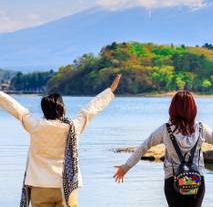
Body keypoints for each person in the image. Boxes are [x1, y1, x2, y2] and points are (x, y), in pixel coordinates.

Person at [113, 90, 213, 207]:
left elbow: (144, 147)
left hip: (173, 180)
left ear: (172, 108)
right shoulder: (201, 129)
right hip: (196, 180)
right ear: (193, 109)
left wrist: (126, 167)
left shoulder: (165, 130)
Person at [0, 74, 122, 207]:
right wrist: (109, 91)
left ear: (44, 110)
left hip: (40, 186)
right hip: (68, 187)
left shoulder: (35, 126)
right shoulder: (72, 127)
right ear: (62, 109)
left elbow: (18, 110)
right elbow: (89, 111)